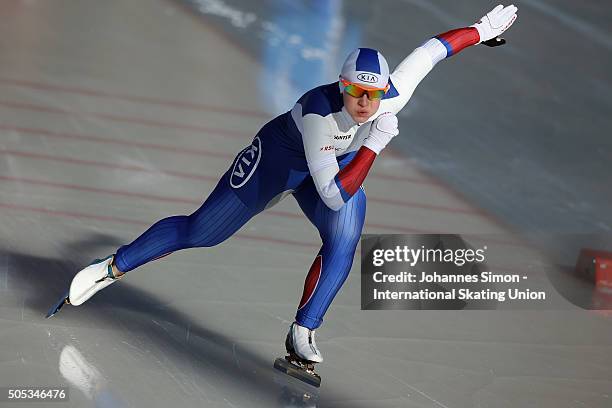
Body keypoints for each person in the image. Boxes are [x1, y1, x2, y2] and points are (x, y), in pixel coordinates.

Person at [68, 4, 518, 366]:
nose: (365, 104)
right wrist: (374, 147)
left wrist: (480, 30)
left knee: (344, 236)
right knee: (202, 233)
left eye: (374, 95)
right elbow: (332, 194)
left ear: (385, 91)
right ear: (341, 87)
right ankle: (111, 267)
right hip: (280, 164)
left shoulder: (390, 94)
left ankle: (304, 329)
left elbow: (432, 51)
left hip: (332, 168)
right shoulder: (321, 115)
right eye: (355, 93)